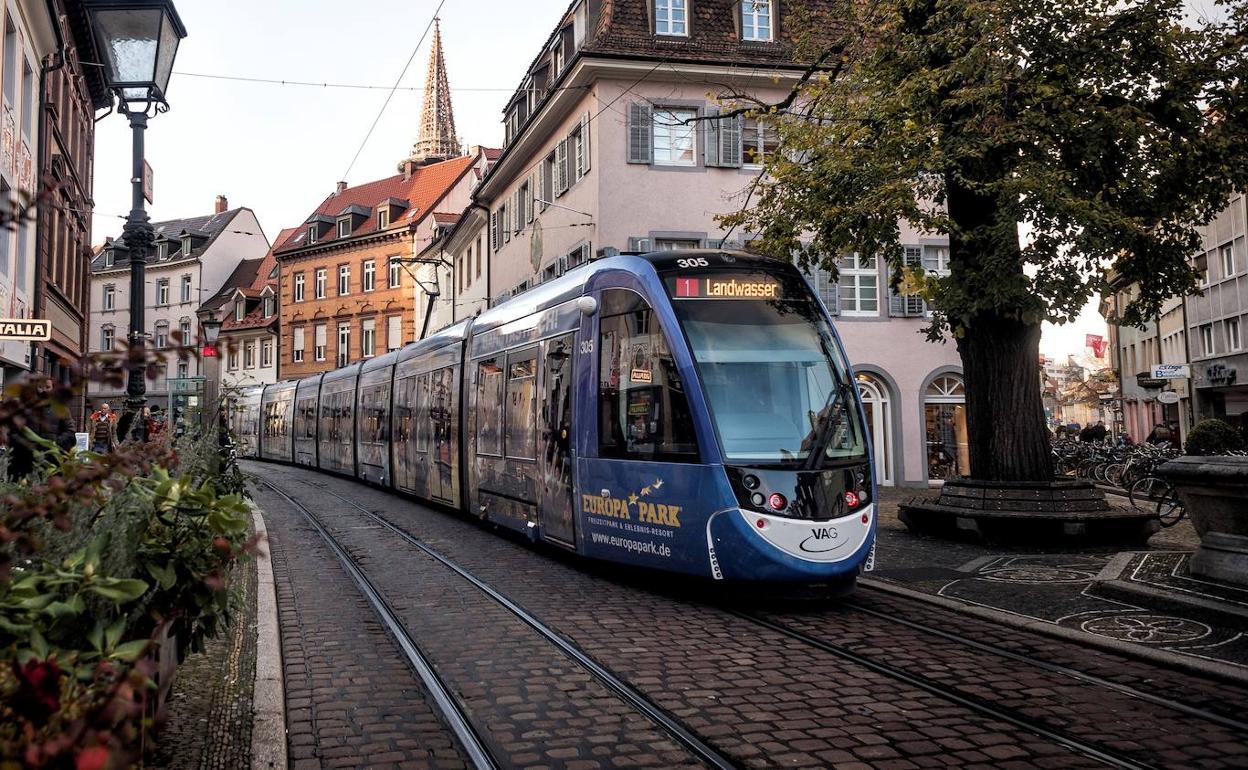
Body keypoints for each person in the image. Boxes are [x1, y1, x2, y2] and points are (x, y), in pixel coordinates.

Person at [5, 376, 76, 480]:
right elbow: (13, 431)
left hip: (51, 460)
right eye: (40, 387)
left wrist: (54, 444)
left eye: (47, 387)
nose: (43, 390)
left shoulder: (61, 409)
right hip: (27, 459)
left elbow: (70, 431)